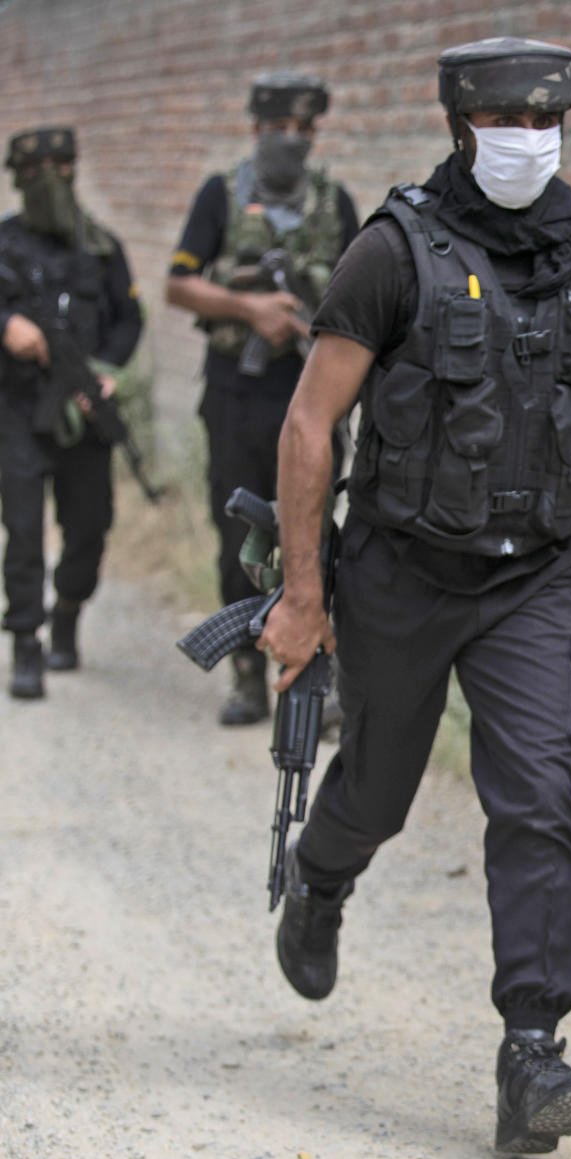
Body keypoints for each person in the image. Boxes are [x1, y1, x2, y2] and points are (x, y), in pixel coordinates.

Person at [257, 37, 571, 1155]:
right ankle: (322, 880)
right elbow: (308, 425)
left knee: (535, 792)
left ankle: (533, 1049)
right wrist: (300, 596)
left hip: (535, 574)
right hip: (405, 570)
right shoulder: (391, 252)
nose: (531, 139)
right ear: (462, 127)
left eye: (547, 119)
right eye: (508, 122)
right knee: (377, 789)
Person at [166, 71, 359, 725]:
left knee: (318, 534)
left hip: (312, 393)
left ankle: (316, 665)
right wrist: (252, 310)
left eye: (306, 131)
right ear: (257, 128)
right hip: (236, 392)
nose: (294, 142)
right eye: (283, 129)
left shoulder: (336, 205)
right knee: (239, 532)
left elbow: (366, 295)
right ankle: (248, 672)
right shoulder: (221, 197)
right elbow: (179, 285)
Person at [0, 126, 143, 700]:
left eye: (63, 166)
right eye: (38, 170)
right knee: (25, 529)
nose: (52, 179)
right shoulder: (4, 243)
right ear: (19, 178)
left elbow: (129, 320)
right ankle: (27, 642)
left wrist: (108, 371)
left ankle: (68, 613)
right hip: (18, 406)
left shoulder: (101, 247)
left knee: (89, 526)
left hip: (83, 412)